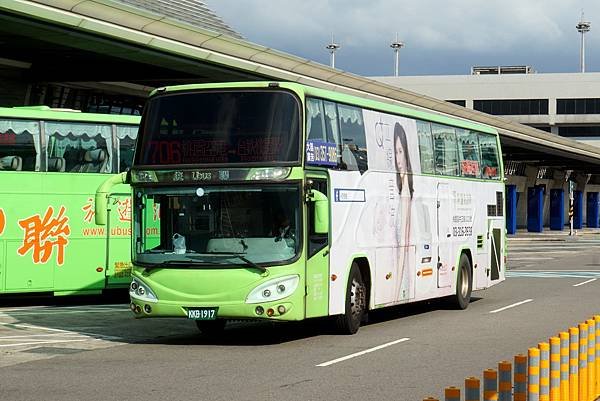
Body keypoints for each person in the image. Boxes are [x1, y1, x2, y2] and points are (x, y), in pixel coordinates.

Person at [393, 122, 414, 300]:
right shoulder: (399, 191)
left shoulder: (405, 193)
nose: (398, 159)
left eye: (401, 151)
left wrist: (394, 292)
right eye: (395, 152)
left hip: (401, 277)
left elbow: (404, 247)